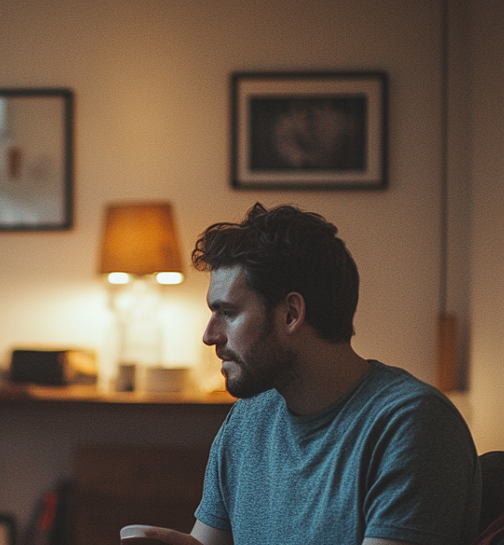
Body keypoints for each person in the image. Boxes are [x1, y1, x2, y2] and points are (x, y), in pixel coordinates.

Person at [122, 203, 481, 545]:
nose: (209, 335)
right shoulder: (247, 422)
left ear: (291, 313)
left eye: (227, 313)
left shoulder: (411, 425)